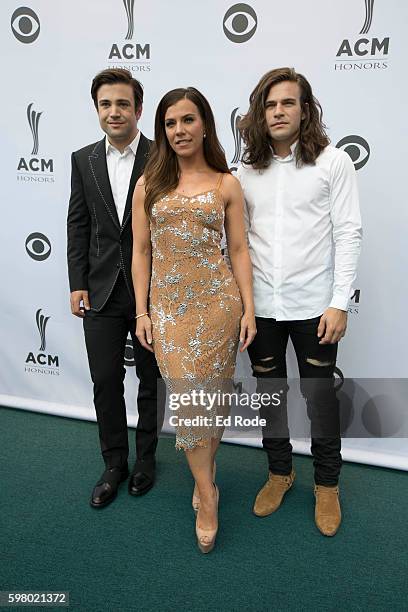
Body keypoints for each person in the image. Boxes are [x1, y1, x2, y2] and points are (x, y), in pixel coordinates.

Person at [238, 67, 362, 536]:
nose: (278, 112)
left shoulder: (333, 162)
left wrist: (339, 303)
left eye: (287, 103)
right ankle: (279, 473)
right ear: (258, 113)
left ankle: (326, 485)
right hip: (263, 309)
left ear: (305, 109)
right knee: (270, 396)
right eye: (270, 105)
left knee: (320, 400)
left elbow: (349, 232)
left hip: (316, 308)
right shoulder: (245, 169)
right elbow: (238, 241)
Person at [131, 87, 256, 552]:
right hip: (169, 312)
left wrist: (248, 307)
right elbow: (140, 251)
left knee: (213, 400)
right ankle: (207, 494)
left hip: (219, 307)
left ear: (204, 123)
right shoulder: (150, 184)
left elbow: (239, 250)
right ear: (162, 130)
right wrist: (142, 310)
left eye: (187, 120)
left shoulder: (226, 184)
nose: (179, 130)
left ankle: (205, 473)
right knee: (190, 404)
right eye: (169, 123)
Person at [67, 68, 162, 509]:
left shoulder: (163, 156)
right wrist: (76, 284)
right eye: (106, 104)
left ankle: (146, 459)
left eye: (123, 103)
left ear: (138, 109)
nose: (114, 111)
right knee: (105, 380)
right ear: (97, 110)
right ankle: (114, 463)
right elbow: (78, 226)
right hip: (100, 291)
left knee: (149, 379)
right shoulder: (82, 159)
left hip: (153, 292)